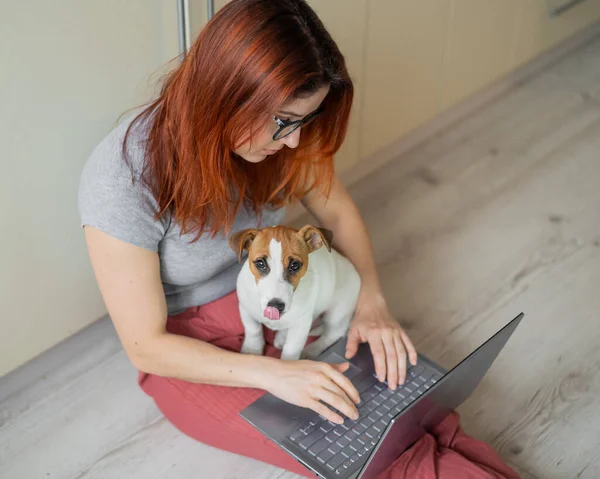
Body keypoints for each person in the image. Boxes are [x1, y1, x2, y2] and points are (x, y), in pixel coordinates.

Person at [78, 1, 520, 477]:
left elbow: (340, 212)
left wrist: (371, 299)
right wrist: (275, 372)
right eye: (284, 121)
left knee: (420, 417)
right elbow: (146, 345)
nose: (292, 143)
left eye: (302, 122)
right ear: (227, 94)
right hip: (187, 345)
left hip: (289, 293)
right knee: (373, 450)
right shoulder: (124, 175)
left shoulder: (284, 137)